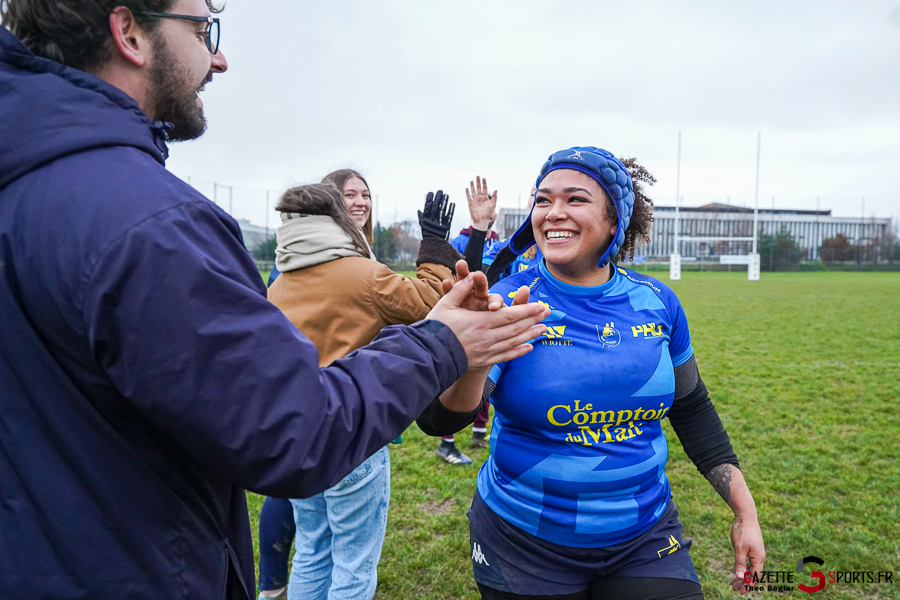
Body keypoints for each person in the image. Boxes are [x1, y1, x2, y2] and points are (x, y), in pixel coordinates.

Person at [0, 2, 549, 598]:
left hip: (55, 549)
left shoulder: (30, 184)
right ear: (129, 31)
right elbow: (296, 426)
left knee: (312, 552)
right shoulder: (151, 224)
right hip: (165, 553)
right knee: (352, 561)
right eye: (203, 28)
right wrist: (442, 332)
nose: (220, 58)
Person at [426, 147, 766, 599]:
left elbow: (692, 407)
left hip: (644, 537)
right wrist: (470, 356)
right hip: (523, 542)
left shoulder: (657, 302)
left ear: (614, 221)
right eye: (543, 200)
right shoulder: (510, 300)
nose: (553, 213)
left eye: (575, 199)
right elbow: (440, 421)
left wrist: (745, 512)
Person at [438, 176, 500, 464]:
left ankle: (478, 431)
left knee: (485, 382)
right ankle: (446, 441)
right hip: (462, 322)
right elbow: (466, 274)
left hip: (492, 320)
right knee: (453, 381)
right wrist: (478, 229)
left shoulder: (502, 244)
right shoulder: (462, 240)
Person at [450, 176, 502, 257]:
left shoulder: (499, 247)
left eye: (490, 209)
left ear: (496, 215)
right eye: (482, 208)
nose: (485, 213)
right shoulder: (457, 243)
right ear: (472, 215)